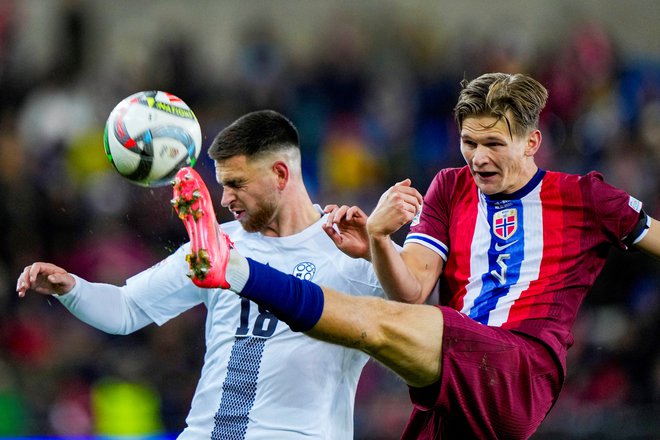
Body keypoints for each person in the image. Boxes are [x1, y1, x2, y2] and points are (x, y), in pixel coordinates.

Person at [162, 73, 660, 439]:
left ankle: (234, 268)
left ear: (531, 142)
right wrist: (378, 240)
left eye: (493, 143)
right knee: (385, 318)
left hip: (519, 369)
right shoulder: (449, 187)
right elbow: (411, 290)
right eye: (469, 142)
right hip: (453, 375)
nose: (478, 156)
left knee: (372, 321)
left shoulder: (585, 198)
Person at [16, 110, 386, 439]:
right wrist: (70, 288)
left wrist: (376, 247)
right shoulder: (216, 243)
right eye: (222, 185)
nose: (224, 199)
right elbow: (126, 310)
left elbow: (427, 311)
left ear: (280, 174)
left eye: (236, 184)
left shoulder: (352, 250)